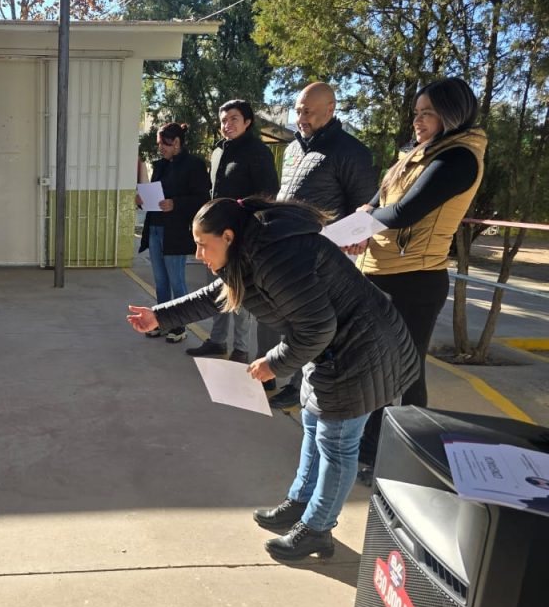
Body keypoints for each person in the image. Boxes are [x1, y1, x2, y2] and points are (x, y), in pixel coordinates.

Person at [127, 197, 419, 560]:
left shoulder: (276, 257)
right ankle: (300, 502)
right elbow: (219, 296)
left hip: (363, 352)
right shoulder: (250, 253)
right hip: (331, 351)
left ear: (229, 236)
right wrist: (160, 316)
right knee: (313, 425)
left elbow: (317, 327)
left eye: (204, 244)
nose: (199, 254)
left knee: (338, 444)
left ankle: (318, 529)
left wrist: (273, 363)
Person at [351, 78, 487, 476]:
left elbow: (403, 213)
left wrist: (362, 222)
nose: (418, 120)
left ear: (453, 114)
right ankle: (372, 447)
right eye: (416, 113)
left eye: (428, 112)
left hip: (415, 281)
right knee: (376, 367)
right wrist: (364, 217)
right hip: (383, 272)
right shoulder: (420, 153)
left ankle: (410, 458)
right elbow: (381, 202)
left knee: (405, 374)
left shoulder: (457, 158)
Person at [263, 82, 378, 408]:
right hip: (287, 253)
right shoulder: (294, 148)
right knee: (294, 323)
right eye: (298, 110)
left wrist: (359, 236)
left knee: (316, 326)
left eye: (309, 111)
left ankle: (306, 389)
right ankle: (295, 382)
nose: (301, 117)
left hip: (326, 259)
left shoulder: (350, 151)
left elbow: (365, 207)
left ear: (330, 109)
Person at [187, 100, 280, 363]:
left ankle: (240, 349)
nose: (227, 125)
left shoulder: (257, 152)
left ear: (247, 122)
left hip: (241, 235)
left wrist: (244, 218)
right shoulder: (218, 151)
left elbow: (268, 194)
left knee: (240, 292)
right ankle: (217, 341)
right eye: (224, 120)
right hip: (215, 235)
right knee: (217, 289)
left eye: (234, 119)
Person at [136, 122, 210, 343]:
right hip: (156, 228)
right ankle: (160, 320)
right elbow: (155, 196)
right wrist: (142, 201)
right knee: (160, 280)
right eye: (159, 144)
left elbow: (202, 199)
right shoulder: (160, 166)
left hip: (176, 231)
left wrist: (175, 203)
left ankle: (179, 325)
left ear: (176, 142)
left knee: (176, 280)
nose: (160, 148)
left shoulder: (194, 165)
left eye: (163, 144)